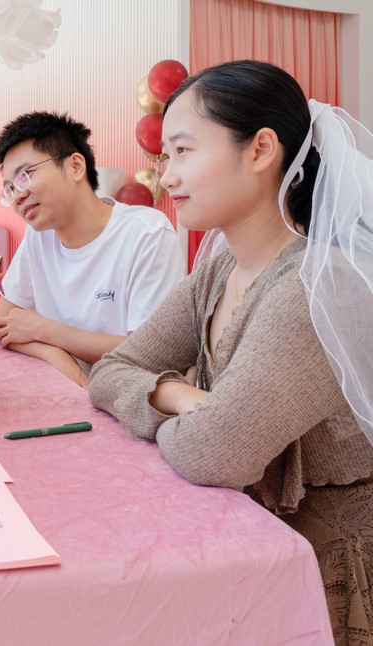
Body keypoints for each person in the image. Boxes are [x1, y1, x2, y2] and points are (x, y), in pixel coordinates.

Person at [87, 60, 373, 645]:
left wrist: (183, 408)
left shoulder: (316, 286)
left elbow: (214, 452)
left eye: (183, 151)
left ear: (261, 149)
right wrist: (179, 395)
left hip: (327, 573)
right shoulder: (218, 270)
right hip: (254, 550)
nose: (167, 176)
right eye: (164, 156)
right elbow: (110, 371)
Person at [0, 111, 185, 386]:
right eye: (9, 189)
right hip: (64, 391)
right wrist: (56, 356)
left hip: (131, 398)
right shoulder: (38, 237)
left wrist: (46, 331)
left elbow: (148, 355)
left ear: (76, 166)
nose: (17, 196)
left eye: (25, 176)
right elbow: (3, 324)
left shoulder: (147, 233)